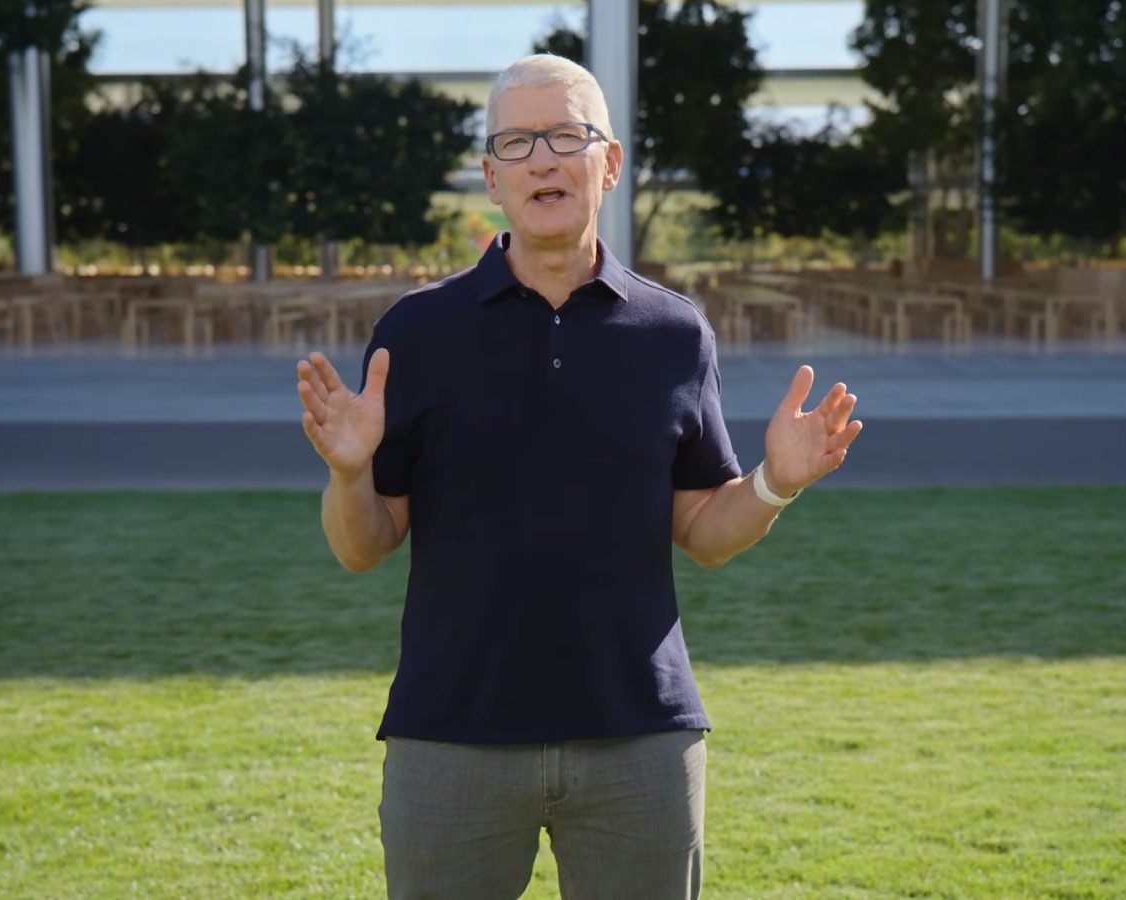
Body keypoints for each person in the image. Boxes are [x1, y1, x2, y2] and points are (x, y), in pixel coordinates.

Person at [295, 53, 863, 900]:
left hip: (640, 738)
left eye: (566, 135)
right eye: (517, 143)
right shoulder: (418, 331)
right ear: (490, 177)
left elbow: (705, 533)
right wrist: (348, 475)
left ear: (610, 162)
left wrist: (775, 484)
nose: (543, 160)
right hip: (452, 734)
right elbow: (362, 547)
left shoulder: (675, 333)